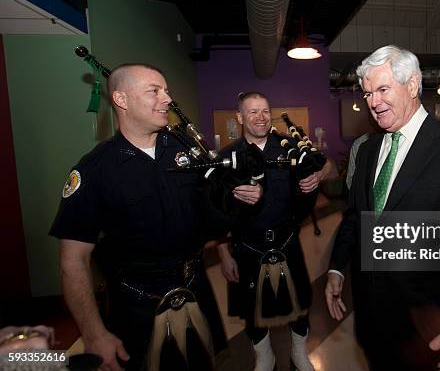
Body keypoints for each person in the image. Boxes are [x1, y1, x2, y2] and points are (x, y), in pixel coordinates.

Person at [50, 64, 262, 371]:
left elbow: (214, 211)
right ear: (121, 100)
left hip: (194, 288)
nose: (167, 99)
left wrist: (242, 195)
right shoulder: (95, 170)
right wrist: (94, 334)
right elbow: (73, 260)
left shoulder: (187, 149)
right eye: (154, 91)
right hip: (136, 305)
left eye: (167, 90)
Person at [325, 45, 440, 371]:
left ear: (413, 85)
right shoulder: (366, 151)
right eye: (367, 94)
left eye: (382, 89)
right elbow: (356, 218)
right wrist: (336, 267)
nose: (373, 102)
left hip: (434, 325)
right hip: (374, 321)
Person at [217, 92, 328, 371]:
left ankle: (298, 352)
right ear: (240, 118)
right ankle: (264, 357)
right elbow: (216, 209)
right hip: (246, 247)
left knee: (300, 303)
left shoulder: (290, 147)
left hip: (287, 240)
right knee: (251, 310)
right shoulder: (227, 157)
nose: (261, 117)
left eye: (265, 111)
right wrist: (222, 251)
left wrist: (319, 175)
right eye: (253, 112)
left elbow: (330, 165)